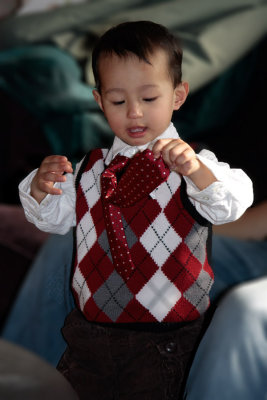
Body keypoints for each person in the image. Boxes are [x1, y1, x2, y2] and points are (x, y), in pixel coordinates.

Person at [18, 21, 253, 400]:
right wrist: (39, 188)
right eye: (117, 101)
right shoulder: (89, 169)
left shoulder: (193, 166)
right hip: (88, 335)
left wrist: (197, 171)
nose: (134, 113)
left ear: (178, 95)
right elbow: (54, 219)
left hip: (165, 342)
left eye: (148, 98)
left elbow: (232, 204)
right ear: (98, 101)